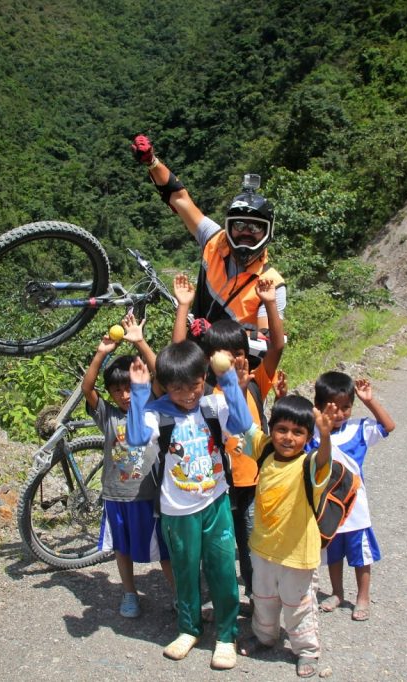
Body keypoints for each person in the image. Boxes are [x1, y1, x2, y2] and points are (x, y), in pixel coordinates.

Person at [126, 342, 254, 670]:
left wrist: (227, 380)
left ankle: (226, 634)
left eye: (194, 385)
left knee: (223, 569)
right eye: (177, 388)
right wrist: (140, 390)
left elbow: (240, 424)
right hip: (177, 511)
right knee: (185, 572)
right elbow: (137, 437)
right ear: (165, 386)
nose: (187, 395)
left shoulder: (212, 405)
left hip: (216, 502)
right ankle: (189, 628)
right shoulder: (157, 413)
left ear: (204, 377)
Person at [172, 273, 286, 614]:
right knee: (218, 547)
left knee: (253, 545)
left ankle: (258, 599)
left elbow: (277, 345)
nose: (231, 360)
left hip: (252, 482)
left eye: (237, 353)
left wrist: (268, 303)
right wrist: (184, 307)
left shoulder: (255, 383)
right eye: (221, 354)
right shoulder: (203, 391)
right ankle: (223, 600)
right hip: (216, 486)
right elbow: (177, 356)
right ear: (207, 359)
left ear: (246, 356)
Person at [130, 134, 286, 332]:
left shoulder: (272, 284)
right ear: (228, 226)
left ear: (268, 232)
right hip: (196, 356)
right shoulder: (215, 241)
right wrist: (152, 163)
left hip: (238, 362)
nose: (246, 232)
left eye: (255, 227)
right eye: (238, 225)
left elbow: (268, 342)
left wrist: (213, 334)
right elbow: (180, 199)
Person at [79, 313, 173, 618]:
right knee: (122, 548)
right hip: (117, 495)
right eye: (117, 390)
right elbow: (87, 388)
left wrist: (140, 341)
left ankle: (178, 595)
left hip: (149, 496)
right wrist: (101, 353)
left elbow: (162, 372)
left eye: (130, 388)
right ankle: (130, 593)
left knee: (165, 551)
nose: (124, 395)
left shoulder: (150, 408)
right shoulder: (108, 415)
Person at [236, 395, 336, 678]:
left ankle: (306, 649)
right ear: (271, 429)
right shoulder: (265, 451)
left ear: (308, 436)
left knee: (298, 604)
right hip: (263, 549)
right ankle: (265, 636)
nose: (288, 437)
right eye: (281, 429)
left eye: (298, 432)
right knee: (264, 597)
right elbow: (245, 424)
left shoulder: (310, 466)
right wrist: (236, 385)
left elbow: (324, 457)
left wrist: (325, 436)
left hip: (297, 556)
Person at [312, 371, 395, 622]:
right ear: (319, 406)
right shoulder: (314, 433)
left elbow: (388, 426)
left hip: (356, 509)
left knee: (361, 556)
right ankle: (337, 593)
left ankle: (362, 597)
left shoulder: (359, 429)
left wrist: (369, 400)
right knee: (333, 554)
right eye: (334, 408)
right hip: (328, 510)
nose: (340, 414)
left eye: (346, 407)